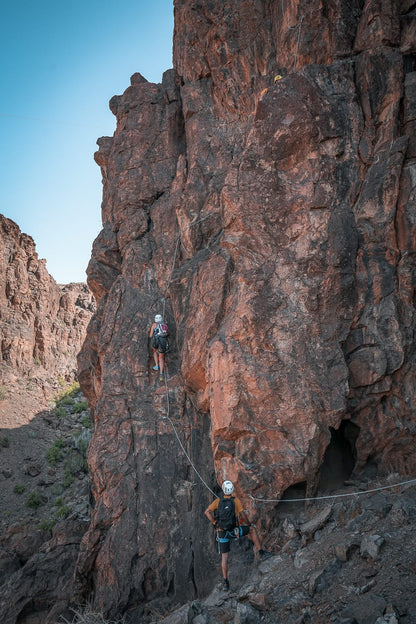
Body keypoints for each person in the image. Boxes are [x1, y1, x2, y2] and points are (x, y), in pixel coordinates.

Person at [204, 480, 272, 591]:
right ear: (232, 490)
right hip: (233, 530)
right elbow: (243, 516)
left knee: (224, 557)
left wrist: (215, 523)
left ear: (223, 490)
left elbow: (207, 512)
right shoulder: (236, 501)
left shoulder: (217, 501)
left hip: (222, 533)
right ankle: (262, 553)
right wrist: (248, 524)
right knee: (252, 530)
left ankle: (225, 582)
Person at [149, 314, 169, 381]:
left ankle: (157, 366)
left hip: (156, 341)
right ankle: (161, 373)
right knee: (161, 357)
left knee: (154, 351)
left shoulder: (154, 325)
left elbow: (151, 335)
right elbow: (168, 333)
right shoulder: (165, 325)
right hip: (163, 341)